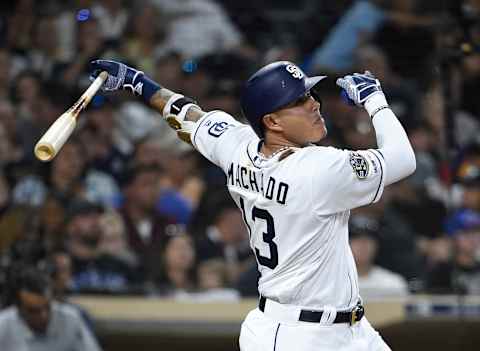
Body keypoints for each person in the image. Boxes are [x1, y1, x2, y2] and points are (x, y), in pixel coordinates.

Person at [89, 57, 416, 350]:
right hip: (298, 337)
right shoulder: (319, 169)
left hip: (347, 330)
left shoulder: (236, 145)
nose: (314, 103)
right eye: (299, 100)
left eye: (310, 94)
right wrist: (375, 101)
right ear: (272, 121)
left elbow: (186, 114)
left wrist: (138, 83)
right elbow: (402, 159)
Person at [0, 266, 102, 351]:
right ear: (18, 308)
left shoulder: (71, 318)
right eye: (34, 311)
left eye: (47, 307)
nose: (44, 315)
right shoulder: (3, 324)